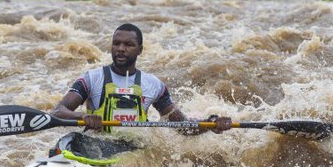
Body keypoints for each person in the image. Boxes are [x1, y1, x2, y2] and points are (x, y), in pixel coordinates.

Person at [51, 23, 232, 135]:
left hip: (133, 150)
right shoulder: (91, 78)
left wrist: (211, 123)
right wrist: (84, 116)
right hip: (95, 146)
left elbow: (182, 126)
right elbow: (58, 111)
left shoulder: (153, 85)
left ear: (140, 50)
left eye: (128, 44)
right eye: (116, 44)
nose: (120, 49)